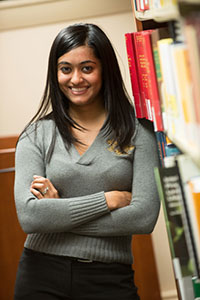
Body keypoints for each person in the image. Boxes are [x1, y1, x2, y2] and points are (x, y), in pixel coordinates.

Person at [14, 23, 160, 300]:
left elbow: (143, 218)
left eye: (87, 68)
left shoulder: (139, 132)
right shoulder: (36, 134)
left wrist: (55, 213)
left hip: (110, 277)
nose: (76, 79)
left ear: (105, 69)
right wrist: (109, 200)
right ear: (55, 73)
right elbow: (30, 217)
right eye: (66, 68)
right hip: (40, 273)